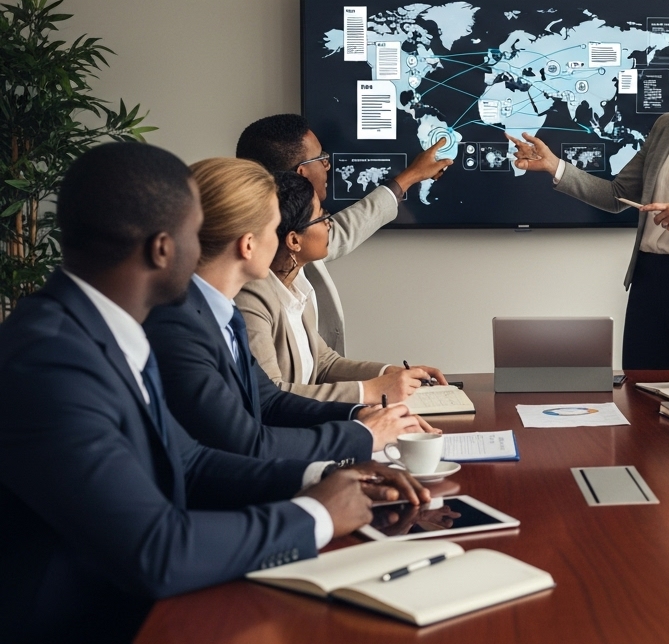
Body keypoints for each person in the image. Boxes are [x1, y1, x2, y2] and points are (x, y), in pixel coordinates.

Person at [0, 143, 428, 643]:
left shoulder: (106, 330)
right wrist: (317, 515)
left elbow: (193, 462)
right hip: (93, 623)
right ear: (163, 248)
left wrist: (328, 475)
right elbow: (157, 550)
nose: (205, 244)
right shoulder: (51, 361)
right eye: (195, 231)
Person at [510, 28, 669, 368]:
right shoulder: (666, 127)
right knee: (638, 398)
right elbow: (617, 195)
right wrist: (555, 166)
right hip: (648, 283)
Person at [146, 158, 436, 461]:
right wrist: (364, 434)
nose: (280, 241)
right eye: (274, 229)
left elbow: (268, 401)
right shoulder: (181, 329)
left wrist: (360, 415)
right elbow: (246, 444)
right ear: (248, 245)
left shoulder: (224, 314)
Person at [236, 113, 452, 354]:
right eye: (321, 158)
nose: (328, 164)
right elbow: (272, 389)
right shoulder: (251, 293)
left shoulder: (286, 246)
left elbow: (347, 228)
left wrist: (410, 176)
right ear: (301, 174)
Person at [238, 172, 446, 403]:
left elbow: (325, 363)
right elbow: (269, 395)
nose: (329, 223)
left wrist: (390, 373)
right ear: (294, 241)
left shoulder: (296, 286)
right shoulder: (252, 297)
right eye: (321, 216)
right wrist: (371, 391)